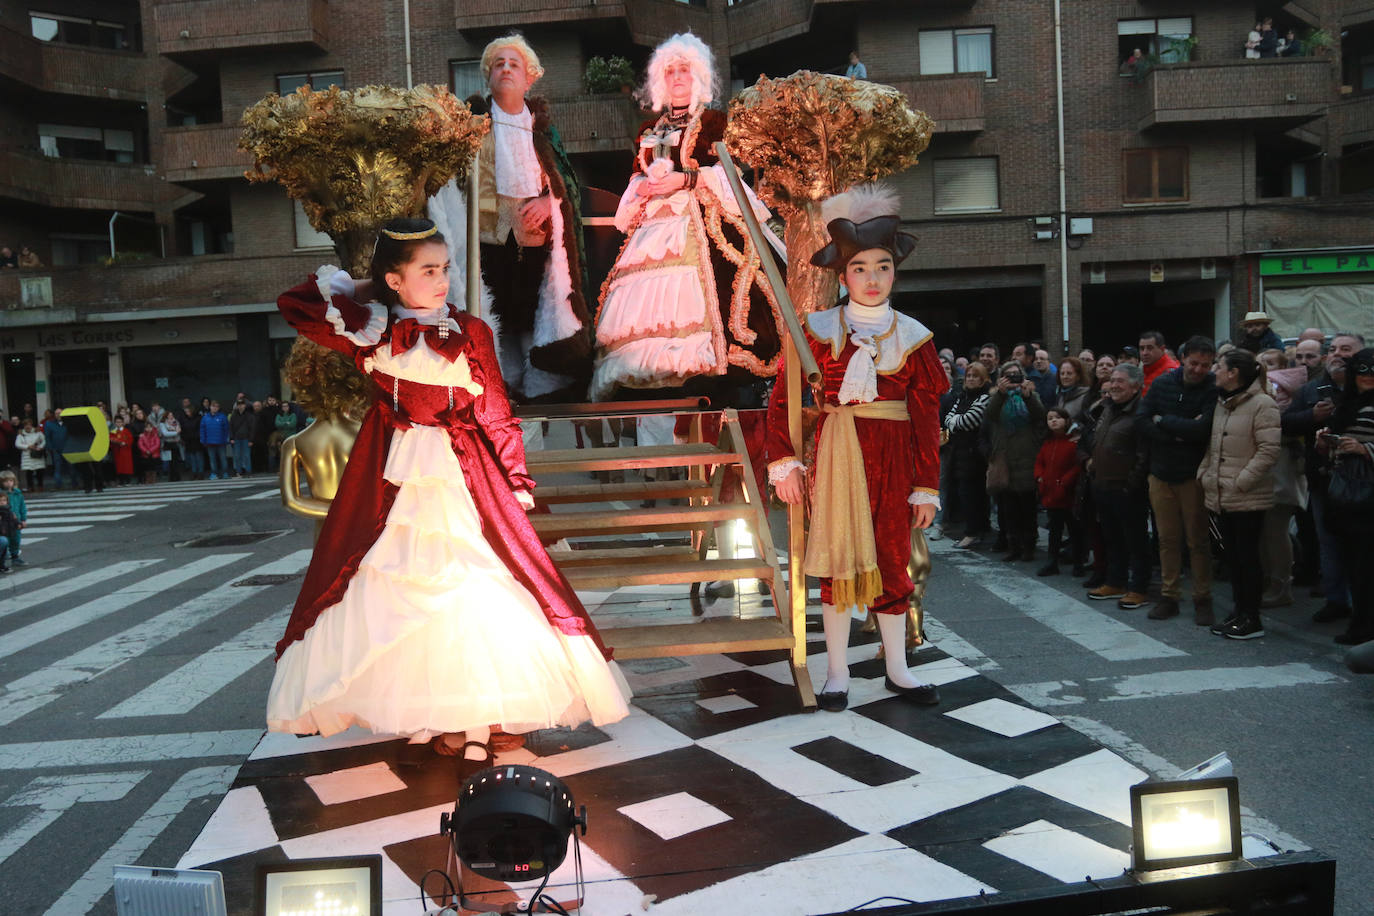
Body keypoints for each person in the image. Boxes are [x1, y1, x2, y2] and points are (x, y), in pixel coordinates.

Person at [268, 218, 629, 772]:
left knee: (475, 587)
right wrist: (371, 291)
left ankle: (481, 722)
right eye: (428, 270)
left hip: (466, 473)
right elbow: (295, 303)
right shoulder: (370, 329)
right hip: (393, 474)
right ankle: (429, 714)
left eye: (445, 268)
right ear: (396, 278)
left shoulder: (471, 331)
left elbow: (497, 413)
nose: (442, 279)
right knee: (391, 594)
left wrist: (516, 479)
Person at [767, 185, 946, 712]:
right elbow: (782, 401)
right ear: (842, 277)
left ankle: (897, 670)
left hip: (894, 460)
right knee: (839, 562)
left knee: (894, 562)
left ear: (895, 272)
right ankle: (838, 673)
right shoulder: (816, 332)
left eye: (883, 267)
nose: (873, 278)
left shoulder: (915, 338)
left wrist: (925, 486)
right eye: (861, 268)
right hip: (836, 457)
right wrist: (786, 462)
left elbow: (926, 419)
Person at [591, 32, 783, 402]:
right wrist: (642, 187)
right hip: (653, 227)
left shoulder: (713, 122)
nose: (677, 78)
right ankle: (655, 385)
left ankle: (709, 377)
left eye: (684, 70)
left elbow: (729, 173)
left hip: (700, 218)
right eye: (670, 72)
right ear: (660, 81)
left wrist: (687, 178)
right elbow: (636, 174)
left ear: (698, 77)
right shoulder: (648, 131)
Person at [433, 33, 591, 404]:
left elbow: (564, 183)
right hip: (486, 242)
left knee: (532, 315)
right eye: (498, 64)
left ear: (529, 77)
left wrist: (547, 201)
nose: (505, 69)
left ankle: (539, 391)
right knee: (494, 316)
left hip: (535, 243)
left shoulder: (543, 129)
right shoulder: (471, 123)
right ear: (488, 76)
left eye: (513, 64)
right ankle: (500, 393)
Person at [1198, 349, 1280, 640]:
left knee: (1247, 557)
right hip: (1221, 491)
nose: (1214, 371)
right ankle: (1239, 611)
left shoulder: (1262, 404)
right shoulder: (1224, 402)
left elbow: (1269, 450)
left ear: (1233, 373)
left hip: (1246, 494)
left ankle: (1251, 618)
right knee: (1232, 557)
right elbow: (1214, 444)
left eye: (1219, 366)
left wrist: (1241, 481)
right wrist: (1206, 473)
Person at [1138, 335, 1217, 624]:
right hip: (1161, 472)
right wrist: (1177, 434)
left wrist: (1165, 422)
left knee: (1198, 540)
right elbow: (1142, 420)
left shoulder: (1212, 389)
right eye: (1194, 363)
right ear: (1183, 358)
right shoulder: (1162, 384)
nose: (1198, 370)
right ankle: (1170, 596)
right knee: (1167, 539)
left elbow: (1203, 429)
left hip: (1192, 475)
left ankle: (1202, 597)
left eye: (1205, 365)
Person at [1316, 347, 1374, 646]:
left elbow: (1363, 445)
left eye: (1372, 370)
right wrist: (1327, 442)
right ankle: (1360, 623)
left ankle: (1365, 627)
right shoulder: (1348, 402)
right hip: (1345, 491)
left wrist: (1365, 449)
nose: (1367, 377)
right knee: (1353, 562)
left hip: (1368, 495)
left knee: (1365, 565)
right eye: (1361, 370)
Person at [1087, 364, 1152, 609]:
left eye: (1120, 381)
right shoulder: (1107, 409)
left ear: (1135, 387)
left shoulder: (1140, 413)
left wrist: (1131, 484)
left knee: (1135, 540)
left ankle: (1139, 587)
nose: (1113, 385)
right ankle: (1116, 581)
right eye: (1112, 380)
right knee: (1112, 538)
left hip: (1126, 487)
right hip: (1103, 484)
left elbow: (1143, 455)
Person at [985, 360, 1046, 562]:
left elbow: (1040, 417)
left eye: (1016, 375)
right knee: (1008, 508)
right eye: (1008, 375)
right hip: (1005, 456)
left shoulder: (1031, 395)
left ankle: (1028, 546)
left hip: (1027, 454)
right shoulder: (996, 397)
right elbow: (990, 416)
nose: (1013, 379)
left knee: (1027, 506)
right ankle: (1013, 546)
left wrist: (1028, 397)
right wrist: (1001, 393)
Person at [944, 361, 993, 549]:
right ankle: (975, 530)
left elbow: (969, 421)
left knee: (974, 494)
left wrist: (956, 422)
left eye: (975, 376)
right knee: (966, 494)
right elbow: (949, 418)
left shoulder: (984, 398)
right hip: (960, 453)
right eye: (969, 376)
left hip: (976, 456)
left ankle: (974, 532)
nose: (971, 379)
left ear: (983, 379)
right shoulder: (962, 396)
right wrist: (956, 421)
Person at [1035, 407, 1084, 577]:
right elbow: (1039, 462)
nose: (1053, 421)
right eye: (1050, 418)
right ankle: (1052, 561)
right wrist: (1040, 476)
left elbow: (1077, 466)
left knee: (1074, 529)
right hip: (1051, 492)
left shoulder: (1073, 442)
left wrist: (1064, 481)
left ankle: (1079, 562)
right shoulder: (1047, 443)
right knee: (1054, 530)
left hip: (1068, 493)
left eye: (1057, 418)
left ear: (1066, 420)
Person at [1138, 330, 1179, 395]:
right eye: (1142, 348)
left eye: (1150, 348)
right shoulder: (1143, 369)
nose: (1144, 353)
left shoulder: (1171, 372)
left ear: (1162, 349)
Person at [0, 470, 27, 566]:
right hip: (4, 522)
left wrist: (23, 519)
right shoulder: (1, 494)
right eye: (6, 481)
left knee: (16, 539)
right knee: (5, 540)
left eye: (11, 480)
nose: (9, 483)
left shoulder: (18, 493)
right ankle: (3, 559)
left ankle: (15, 557)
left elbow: (22, 506)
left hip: (16, 521)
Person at [1055, 356, 1090, 424]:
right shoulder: (1059, 395)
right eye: (1062, 373)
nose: (1065, 377)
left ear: (1078, 376)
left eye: (1069, 373)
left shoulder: (1086, 396)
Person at [200, 401, 229, 479]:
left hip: (221, 441)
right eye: (213, 406)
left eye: (216, 407)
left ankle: (225, 473)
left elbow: (226, 429)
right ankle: (214, 473)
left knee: (223, 458)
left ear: (218, 408)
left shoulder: (222, 417)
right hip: (209, 442)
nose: (214, 408)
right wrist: (203, 440)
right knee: (212, 459)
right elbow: (202, 430)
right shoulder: (205, 418)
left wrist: (226, 439)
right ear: (210, 407)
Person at [15, 419, 46, 492]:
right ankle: (30, 486)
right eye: (26, 425)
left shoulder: (37, 432)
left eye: (29, 424)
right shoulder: (21, 434)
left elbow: (44, 440)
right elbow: (17, 444)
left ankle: (40, 486)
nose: (27, 426)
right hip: (27, 456)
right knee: (29, 473)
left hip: (37, 454)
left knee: (39, 471)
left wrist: (40, 447)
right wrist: (27, 446)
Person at [179, 399, 203, 479]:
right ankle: (194, 472)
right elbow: (182, 429)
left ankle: (200, 472)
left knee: (198, 457)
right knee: (192, 458)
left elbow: (200, 429)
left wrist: (197, 436)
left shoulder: (198, 418)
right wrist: (184, 437)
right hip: (188, 441)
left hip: (197, 440)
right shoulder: (184, 418)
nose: (186, 413)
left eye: (188, 411)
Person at [229, 399, 254, 477]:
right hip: (236, 438)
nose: (240, 406)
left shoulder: (249, 416)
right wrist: (231, 438)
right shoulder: (233, 416)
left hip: (246, 438)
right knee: (237, 456)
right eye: (239, 405)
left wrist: (251, 440)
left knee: (246, 456)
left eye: (242, 404)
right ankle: (239, 471)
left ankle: (248, 471)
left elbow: (252, 428)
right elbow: (231, 428)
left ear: (245, 405)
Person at [158, 410, 182, 481]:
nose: (171, 416)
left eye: (172, 415)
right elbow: (165, 433)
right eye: (169, 415)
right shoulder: (162, 424)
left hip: (175, 443)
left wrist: (174, 431)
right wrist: (175, 432)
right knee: (169, 461)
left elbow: (179, 431)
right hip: (167, 444)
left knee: (176, 461)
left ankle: (177, 477)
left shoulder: (176, 422)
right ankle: (171, 477)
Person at [109, 415, 134, 485]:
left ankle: (128, 480)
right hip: (117, 451)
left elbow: (130, 440)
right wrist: (115, 442)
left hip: (126, 451)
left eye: (120, 422)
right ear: (115, 423)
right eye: (117, 422)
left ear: (123, 423)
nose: (118, 424)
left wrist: (125, 443)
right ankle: (121, 481)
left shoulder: (126, 431)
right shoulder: (113, 431)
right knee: (119, 467)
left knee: (127, 466)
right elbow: (111, 439)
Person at [0, 492, 19, 574]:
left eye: (4, 500)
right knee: (3, 543)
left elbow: (13, 520)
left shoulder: (8, 511)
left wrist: (18, 523)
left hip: (6, 534)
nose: (2, 502)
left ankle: (1, 565)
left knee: (5, 547)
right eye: (0, 501)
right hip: (2, 535)